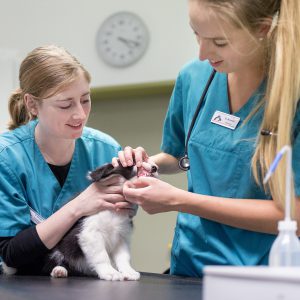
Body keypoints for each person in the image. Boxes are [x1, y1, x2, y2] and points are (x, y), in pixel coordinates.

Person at [113, 0, 300, 277]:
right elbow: (178, 155)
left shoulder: (291, 97)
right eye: (196, 34)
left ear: (262, 29)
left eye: (219, 42)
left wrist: (181, 200)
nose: (202, 53)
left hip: (265, 276)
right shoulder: (194, 78)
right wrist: (145, 164)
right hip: (189, 267)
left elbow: (294, 215)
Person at [0, 45, 133, 275]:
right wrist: (80, 206)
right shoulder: (7, 158)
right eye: (65, 104)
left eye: (85, 100)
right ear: (32, 104)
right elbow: (11, 253)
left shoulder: (106, 149)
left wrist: (137, 184)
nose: (80, 114)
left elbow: (117, 226)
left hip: (85, 283)